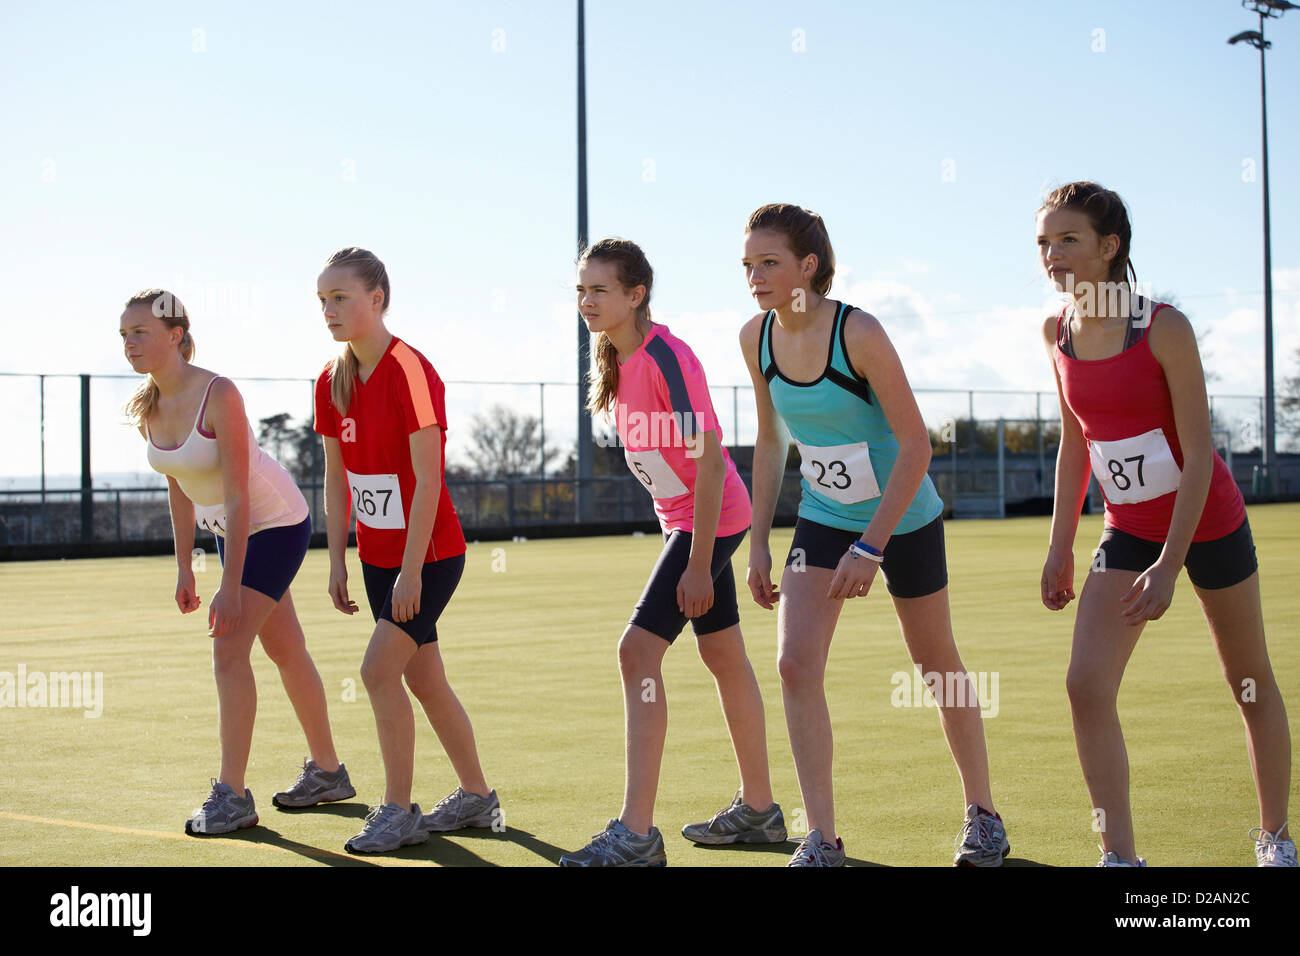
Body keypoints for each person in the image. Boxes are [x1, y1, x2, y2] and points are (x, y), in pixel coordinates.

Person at [739, 204, 1008, 867]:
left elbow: (917, 445)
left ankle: (984, 815)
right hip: (825, 514)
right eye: (747, 265)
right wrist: (759, 540)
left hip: (904, 515)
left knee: (935, 663)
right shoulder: (754, 338)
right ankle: (822, 838)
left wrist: (872, 547)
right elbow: (771, 442)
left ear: (809, 265)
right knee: (794, 663)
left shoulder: (859, 332)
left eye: (768, 262)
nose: (754, 277)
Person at [1037, 182, 1294, 867]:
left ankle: (1275, 839)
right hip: (1126, 530)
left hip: (1206, 522)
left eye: (1069, 240)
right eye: (1043, 242)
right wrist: (1060, 546)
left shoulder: (1162, 327)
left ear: (1109, 247)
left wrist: (1171, 564)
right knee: (1084, 685)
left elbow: (1201, 451)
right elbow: (1074, 445)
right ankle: (1119, 857)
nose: (1052, 255)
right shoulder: (1054, 332)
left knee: (1249, 682)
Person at [559, 238, 784, 867]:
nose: (587, 301)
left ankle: (636, 834)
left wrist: (696, 561)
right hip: (686, 526)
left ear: (637, 295)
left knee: (636, 651)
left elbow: (710, 465)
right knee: (724, 656)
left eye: (600, 290)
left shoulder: (667, 357)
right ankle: (761, 812)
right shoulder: (615, 359)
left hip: (710, 523)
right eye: (581, 290)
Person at [121, 288, 353, 836]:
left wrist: (228, 585)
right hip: (230, 531)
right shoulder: (148, 406)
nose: (129, 344)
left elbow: (239, 496)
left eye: (140, 333)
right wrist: (184, 565)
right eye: (124, 335)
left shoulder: (218, 393)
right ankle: (327, 771)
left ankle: (232, 796)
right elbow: (178, 485)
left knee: (228, 649)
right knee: (285, 648)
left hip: (273, 523)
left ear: (175, 335)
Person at [313, 247, 499, 854]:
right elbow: (336, 480)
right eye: (323, 300)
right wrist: (338, 557)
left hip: (432, 556)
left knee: (376, 671)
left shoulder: (410, 370)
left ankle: (398, 810)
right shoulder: (329, 381)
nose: (330, 310)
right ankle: (477, 796)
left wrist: (413, 569)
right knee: (426, 680)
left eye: (341, 297)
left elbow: (427, 481)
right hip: (375, 561)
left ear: (377, 299)